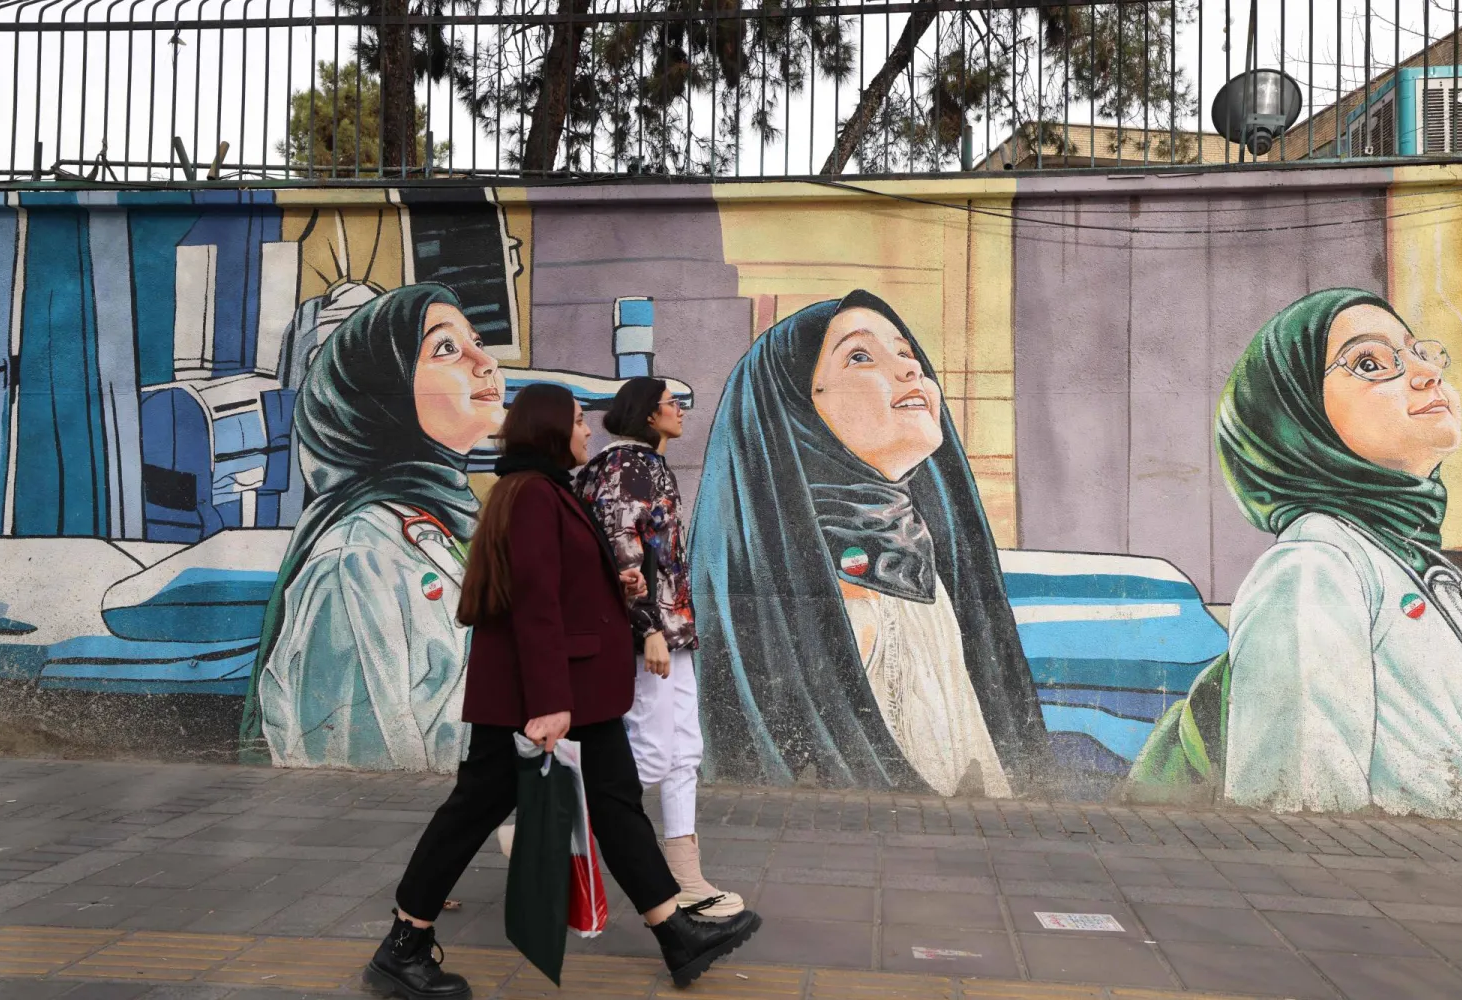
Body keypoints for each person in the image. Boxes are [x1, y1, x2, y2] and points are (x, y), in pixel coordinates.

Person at [366, 384, 762, 1000]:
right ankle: (404, 943)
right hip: (541, 697)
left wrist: (613, 583)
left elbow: (564, 585)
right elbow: (535, 604)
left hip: (575, 692)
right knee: (472, 811)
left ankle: (676, 933)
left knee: (617, 804)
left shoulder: (546, 491)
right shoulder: (531, 496)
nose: (588, 431)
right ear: (552, 429)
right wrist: (549, 702)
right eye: (579, 422)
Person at [688, 290, 1054, 796]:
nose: (912, 371)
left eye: (907, 353)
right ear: (799, 410)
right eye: (861, 356)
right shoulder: (804, 588)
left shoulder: (925, 558)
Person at [1216, 287, 1462, 818]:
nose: (1426, 373)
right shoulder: (1314, 568)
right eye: (1369, 362)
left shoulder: (1409, 557)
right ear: (1295, 421)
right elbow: (1295, 804)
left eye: (1418, 352)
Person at [241, 283, 505, 772]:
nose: (484, 362)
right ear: (382, 398)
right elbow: (353, 761)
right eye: (446, 348)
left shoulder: (441, 528)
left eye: (477, 342)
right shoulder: (358, 560)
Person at [575, 376, 740, 915]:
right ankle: (549, 829)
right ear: (649, 413)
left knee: (683, 751)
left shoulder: (642, 464)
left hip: (670, 629)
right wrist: (646, 626)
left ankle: (687, 877)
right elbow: (624, 551)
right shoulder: (628, 466)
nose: (681, 413)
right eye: (673, 404)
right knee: (650, 751)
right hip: (649, 634)